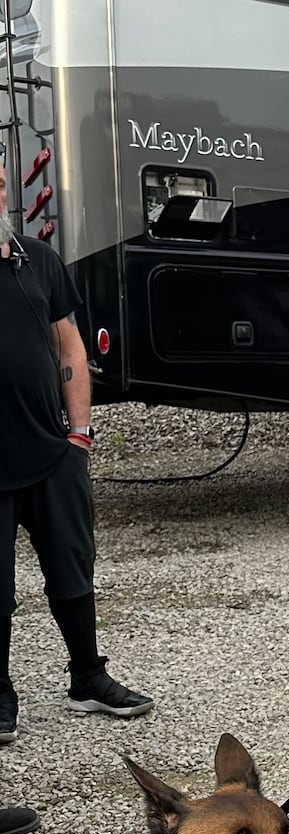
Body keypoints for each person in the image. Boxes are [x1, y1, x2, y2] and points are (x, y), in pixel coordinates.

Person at [0, 159, 152, 742]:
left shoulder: (36, 261)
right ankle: (0, 697)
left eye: (1, 183)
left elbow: (69, 341)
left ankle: (88, 678)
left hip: (51, 450)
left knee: (72, 567)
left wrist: (80, 435)